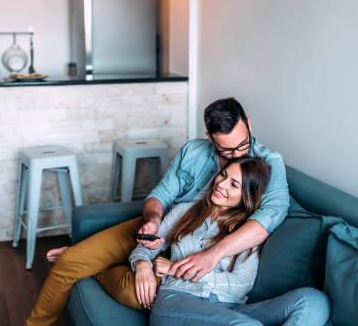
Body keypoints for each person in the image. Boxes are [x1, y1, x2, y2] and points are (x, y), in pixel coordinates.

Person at [25, 98, 290, 325]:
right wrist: (152, 221)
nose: (236, 154)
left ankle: (95, 263)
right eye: (226, 149)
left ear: (249, 125)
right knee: (68, 264)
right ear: (210, 138)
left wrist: (211, 256)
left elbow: (268, 218)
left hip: (190, 249)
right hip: (167, 226)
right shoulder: (193, 151)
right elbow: (160, 196)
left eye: (242, 145)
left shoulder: (269, 163)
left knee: (137, 294)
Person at [131, 157, 330, 326]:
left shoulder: (248, 231)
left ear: (247, 196)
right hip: (176, 300)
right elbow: (145, 249)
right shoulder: (184, 212)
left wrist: (176, 268)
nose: (221, 184)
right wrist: (142, 265)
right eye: (223, 175)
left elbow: (241, 284)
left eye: (233, 184)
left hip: (231, 309)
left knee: (315, 300)